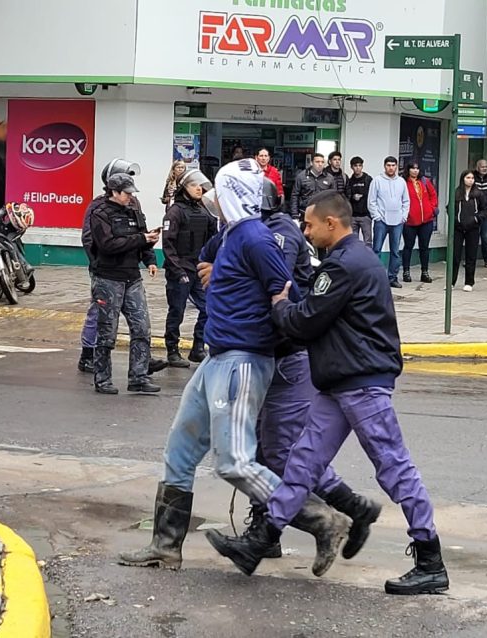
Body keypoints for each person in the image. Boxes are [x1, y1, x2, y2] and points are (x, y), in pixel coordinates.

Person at [206, 191, 449, 595]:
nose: (305, 231)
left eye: (309, 224)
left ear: (331, 225)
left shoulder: (343, 267)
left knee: (395, 469)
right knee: (302, 463)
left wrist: (280, 304)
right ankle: (259, 542)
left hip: (361, 382)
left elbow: (304, 322)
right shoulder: (351, 260)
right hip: (339, 381)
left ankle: (430, 559)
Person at [118, 160, 349, 577]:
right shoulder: (230, 233)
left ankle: (324, 520)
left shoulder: (256, 239)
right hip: (217, 356)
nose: (211, 199)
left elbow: (288, 293)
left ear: (232, 196)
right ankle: (165, 546)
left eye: (217, 193)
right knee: (179, 451)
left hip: (243, 359)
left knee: (236, 462)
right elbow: (213, 266)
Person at [196, 178, 382, 563]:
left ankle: (342, 513)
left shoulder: (275, 234)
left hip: (288, 356)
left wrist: (228, 268)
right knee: (268, 452)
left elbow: (275, 281)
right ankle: (270, 535)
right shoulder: (242, 234)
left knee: (283, 454)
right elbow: (208, 252)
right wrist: (222, 263)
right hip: (265, 354)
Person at [78, 159, 167, 376]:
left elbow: (142, 234)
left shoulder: (134, 204)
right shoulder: (98, 208)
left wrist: (150, 259)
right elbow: (92, 240)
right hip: (105, 271)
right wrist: (98, 264)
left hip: (130, 271)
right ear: (113, 188)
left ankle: (142, 363)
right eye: (126, 184)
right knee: (100, 317)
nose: (130, 192)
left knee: (140, 323)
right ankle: (88, 354)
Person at [162, 169, 218, 366]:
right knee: (177, 310)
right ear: (184, 187)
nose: (199, 189)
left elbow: (214, 238)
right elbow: (167, 244)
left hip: (198, 268)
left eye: (200, 185)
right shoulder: (175, 212)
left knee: (208, 308)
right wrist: (177, 271)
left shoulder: (204, 211)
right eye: (194, 185)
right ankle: (172, 350)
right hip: (180, 269)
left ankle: (197, 347)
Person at [368, 156, 409, 289]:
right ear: (384, 166)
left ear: (396, 166)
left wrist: (403, 216)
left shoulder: (401, 182)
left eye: (393, 165)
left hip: (397, 221)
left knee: (395, 251)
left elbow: (406, 201)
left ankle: (392, 277)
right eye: (388, 165)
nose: (391, 168)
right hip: (381, 221)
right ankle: (376, 277)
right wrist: (377, 217)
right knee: (377, 249)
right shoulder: (377, 181)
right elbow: (371, 201)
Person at [401, 162, 438, 284]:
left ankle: (424, 272)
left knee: (424, 247)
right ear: (408, 169)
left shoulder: (425, 181)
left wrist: (432, 208)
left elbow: (433, 195)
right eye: (412, 168)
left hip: (426, 220)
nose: (415, 171)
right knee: (408, 246)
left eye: (417, 168)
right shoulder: (403, 182)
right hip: (410, 221)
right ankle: (406, 271)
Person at [451, 170, 484, 292]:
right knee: (455, 255)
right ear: (463, 178)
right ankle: (451, 282)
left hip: (473, 228)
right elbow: (450, 207)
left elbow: (484, 210)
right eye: (468, 177)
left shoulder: (478, 194)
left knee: (471, 255)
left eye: (472, 178)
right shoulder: (457, 192)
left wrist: (476, 219)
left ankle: (469, 282)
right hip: (458, 228)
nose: (470, 180)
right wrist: (455, 220)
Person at [289, 153, 334, 220]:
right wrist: (295, 215)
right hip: (305, 214)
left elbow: (333, 197)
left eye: (322, 162)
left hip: (323, 215)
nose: (320, 164)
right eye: (317, 162)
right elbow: (295, 196)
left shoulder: (329, 178)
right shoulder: (301, 177)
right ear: (311, 163)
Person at [345, 156, 373, 245]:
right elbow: (346, 196)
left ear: (362, 166)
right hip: (353, 216)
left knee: (368, 242)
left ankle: (368, 259)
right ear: (351, 167)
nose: (358, 168)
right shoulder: (349, 181)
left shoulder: (368, 179)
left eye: (360, 165)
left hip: (365, 216)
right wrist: (353, 197)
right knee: (353, 242)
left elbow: (373, 196)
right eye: (355, 166)